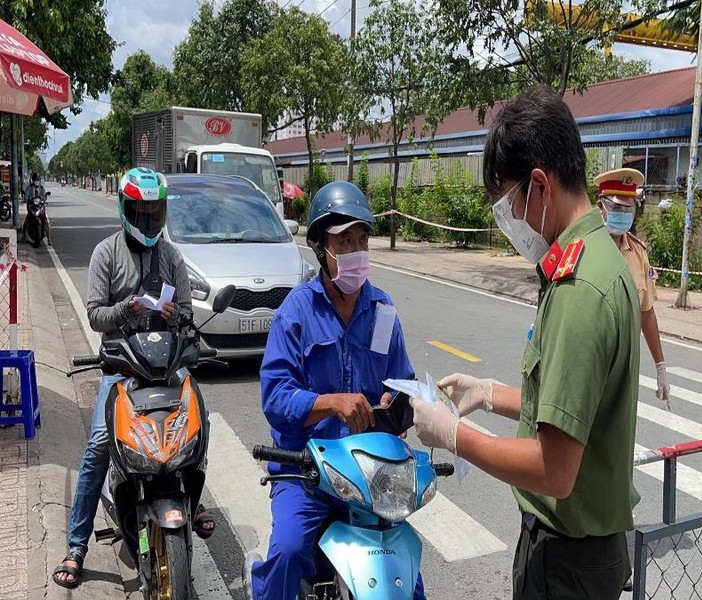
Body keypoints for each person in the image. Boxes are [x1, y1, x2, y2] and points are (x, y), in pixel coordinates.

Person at [409, 85, 641, 600]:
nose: (508, 220)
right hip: (576, 556)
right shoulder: (599, 258)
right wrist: (490, 393)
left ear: (540, 185)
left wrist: (452, 434)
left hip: (567, 562)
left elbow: (555, 471)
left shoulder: (580, 287)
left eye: (508, 203)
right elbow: (572, 408)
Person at [245, 181, 424, 600]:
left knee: (407, 576)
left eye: (363, 239)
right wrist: (330, 405)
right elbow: (275, 399)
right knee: (288, 553)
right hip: (305, 472)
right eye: (345, 240)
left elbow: (403, 383)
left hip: (369, 475)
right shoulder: (295, 313)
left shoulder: (382, 312)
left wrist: (398, 403)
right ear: (321, 248)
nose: (357, 250)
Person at [51, 167, 214, 589]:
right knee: (100, 444)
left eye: (154, 212)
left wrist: (172, 313)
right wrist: (129, 310)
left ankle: (191, 502)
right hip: (122, 367)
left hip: (167, 363)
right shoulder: (105, 253)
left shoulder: (171, 254)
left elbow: (187, 313)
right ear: (125, 210)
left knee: (197, 422)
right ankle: (76, 545)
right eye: (140, 212)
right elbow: (94, 314)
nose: (148, 221)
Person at [595, 168, 671, 406]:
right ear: (601, 207)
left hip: (624, 366)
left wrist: (660, 367)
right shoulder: (585, 249)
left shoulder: (639, 254)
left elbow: (646, 313)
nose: (622, 214)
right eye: (616, 208)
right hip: (589, 359)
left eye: (628, 209)